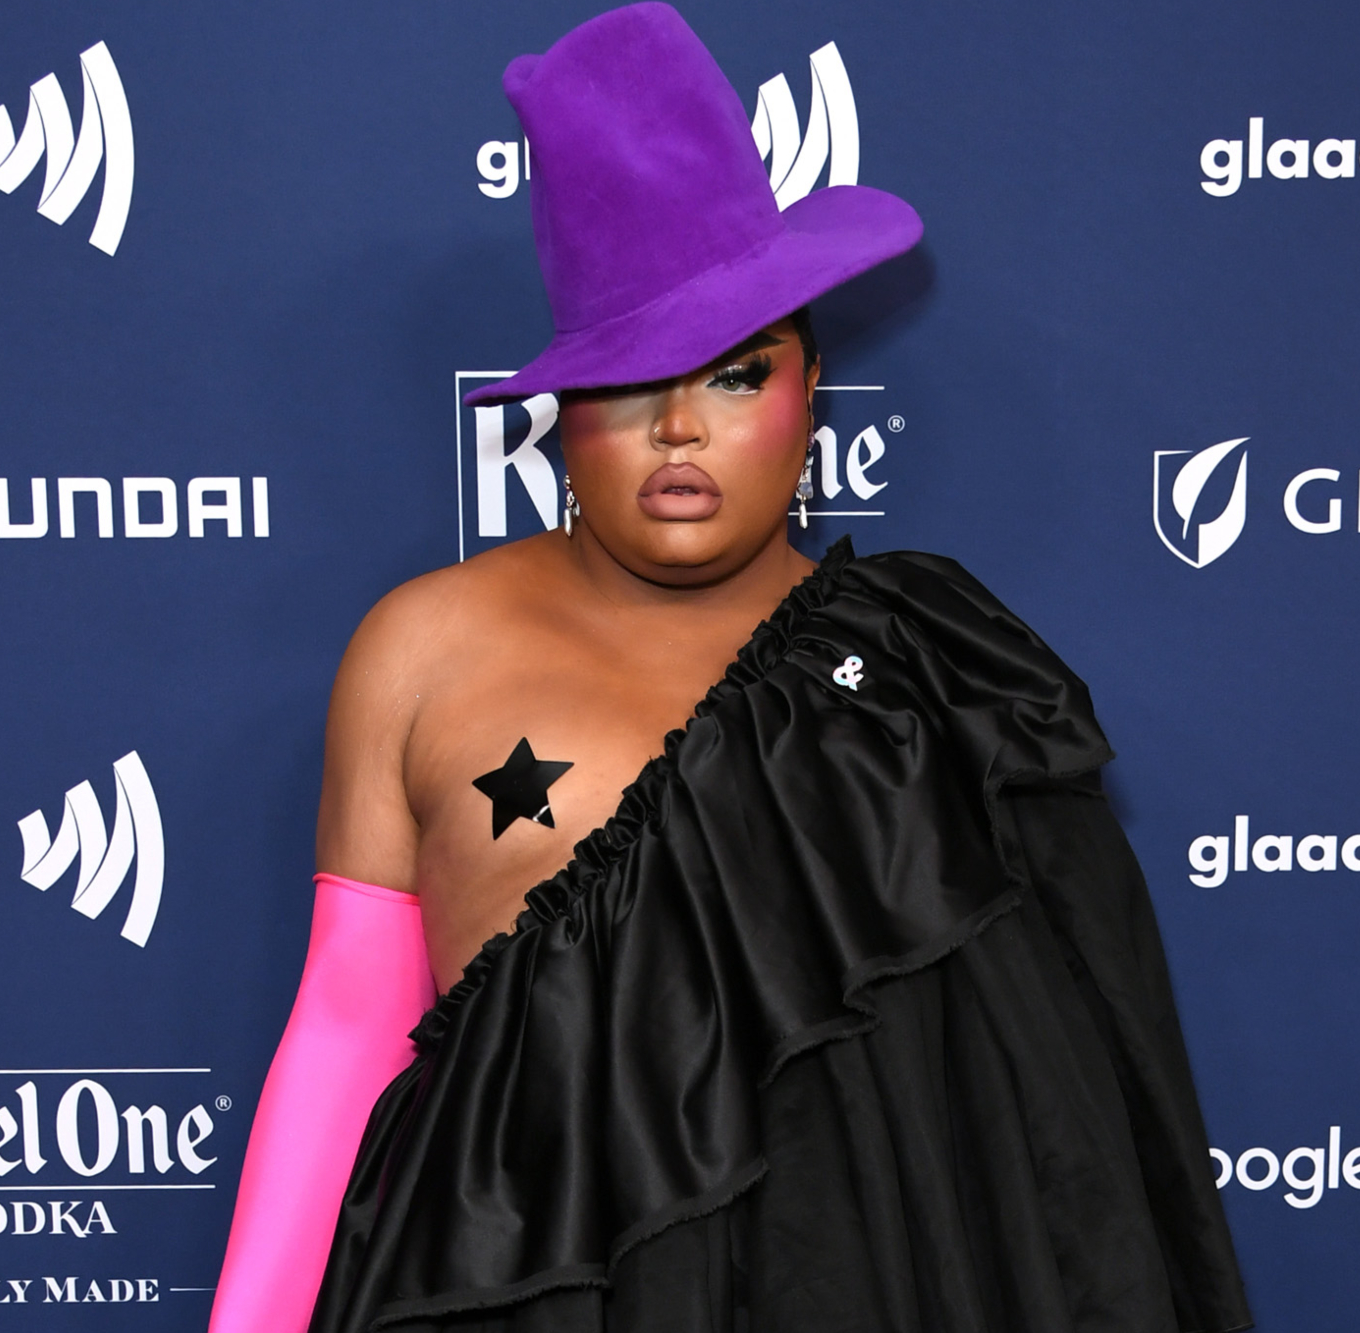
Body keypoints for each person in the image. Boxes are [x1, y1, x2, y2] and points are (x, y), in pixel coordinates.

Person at [213, 6, 1252, 1333]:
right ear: (560, 416)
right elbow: (351, 1025)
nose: (680, 426)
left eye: (736, 372)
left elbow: (1056, 1113)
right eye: (632, 378)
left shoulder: (936, 674)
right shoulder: (421, 646)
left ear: (811, 392)